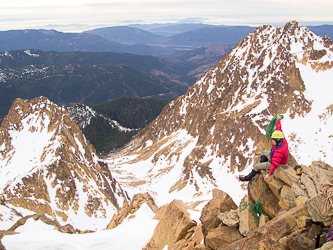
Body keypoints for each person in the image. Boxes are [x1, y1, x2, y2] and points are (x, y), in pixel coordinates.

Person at [240, 115, 289, 182]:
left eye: (273, 140)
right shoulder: (282, 140)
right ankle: (262, 167)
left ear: (277, 140)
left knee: (256, 166)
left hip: (276, 162)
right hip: (273, 156)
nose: (272, 141)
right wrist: (278, 120)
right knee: (264, 152)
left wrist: (268, 174)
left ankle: (248, 178)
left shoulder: (279, 152)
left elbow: (274, 164)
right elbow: (279, 129)